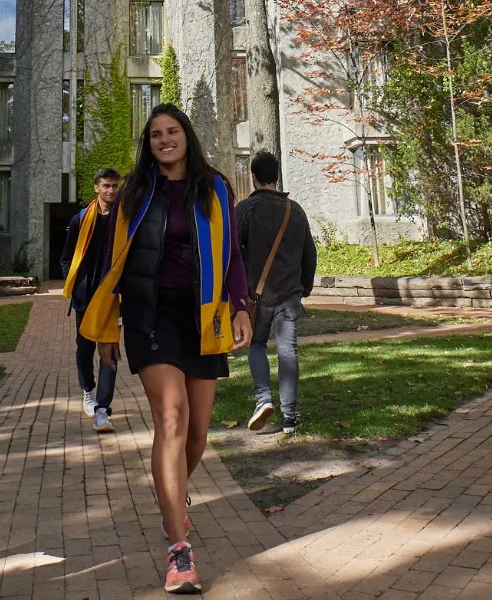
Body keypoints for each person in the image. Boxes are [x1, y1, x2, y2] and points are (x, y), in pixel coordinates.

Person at [78, 103, 253, 594]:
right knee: (171, 419)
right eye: (155, 134)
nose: (164, 140)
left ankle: (171, 498)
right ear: (148, 143)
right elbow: (111, 263)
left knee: (197, 435)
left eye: (171, 131)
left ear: (186, 136)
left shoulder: (216, 186)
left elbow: (234, 255)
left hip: (203, 317)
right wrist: (107, 330)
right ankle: (179, 550)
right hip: (148, 317)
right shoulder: (135, 191)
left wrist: (240, 305)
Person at [236, 151, 318, 435]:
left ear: (254, 177)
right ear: (277, 176)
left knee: (256, 345)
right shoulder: (295, 210)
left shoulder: (245, 210)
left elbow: (231, 254)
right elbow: (310, 253)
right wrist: (304, 287)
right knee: (288, 351)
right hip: (289, 295)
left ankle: (263, 399)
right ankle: (290, 417)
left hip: (256, 296)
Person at [62, 168, 122, 434]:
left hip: (112, 297)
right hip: (86, 297)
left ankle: (103, 409)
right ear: (96, 188)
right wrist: (75, 285)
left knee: (110, 351)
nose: (111, 190)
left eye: (114, 186)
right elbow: (67, 257)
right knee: (84, 348)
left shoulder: (124, 220)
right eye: (106, 186)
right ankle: (88, 390)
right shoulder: (80, 220)